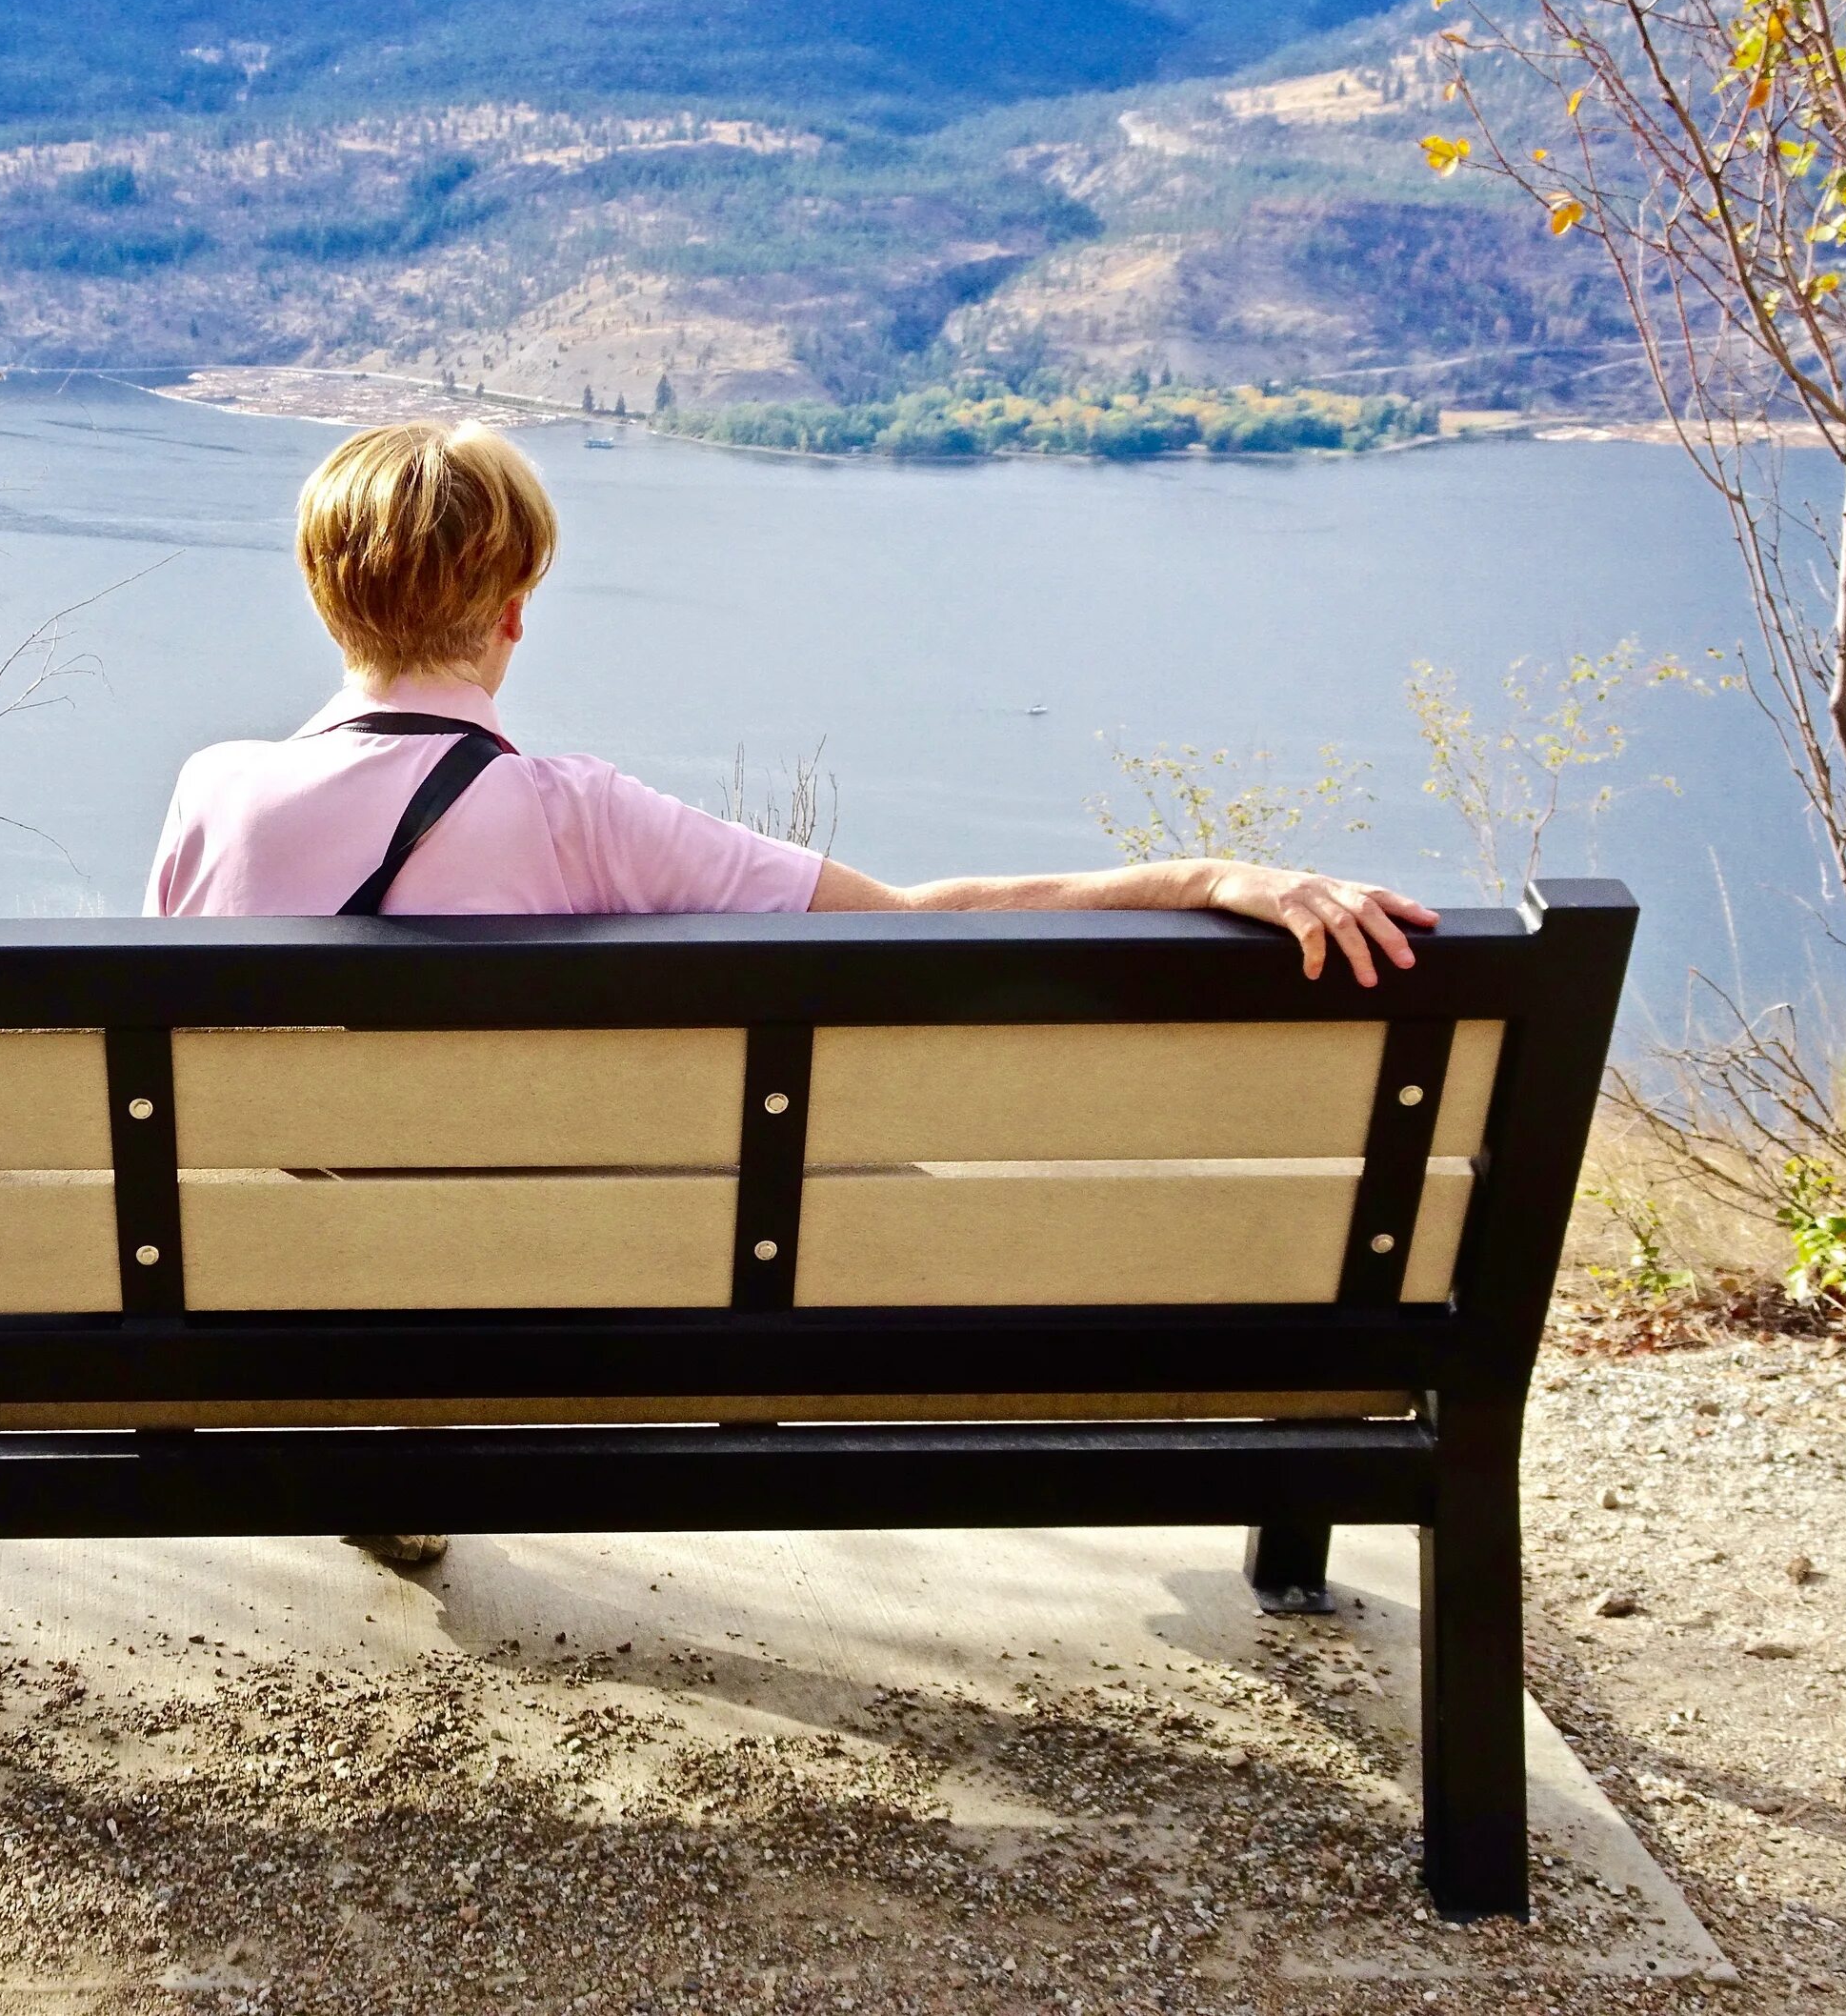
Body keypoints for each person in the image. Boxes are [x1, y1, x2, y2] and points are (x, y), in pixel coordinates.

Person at [146, 419, 1435, 1568]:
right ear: (514, 608)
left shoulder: (215, 792)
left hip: (284, 1306)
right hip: (566, 1310)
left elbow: (181, 1066)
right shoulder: (575, 814)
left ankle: (395, 1431)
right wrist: (1205, 872)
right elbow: (913, 928)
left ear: (329, 604)